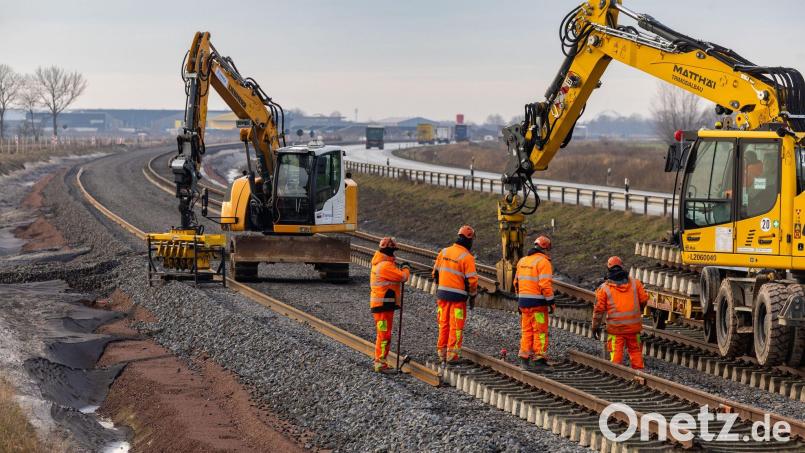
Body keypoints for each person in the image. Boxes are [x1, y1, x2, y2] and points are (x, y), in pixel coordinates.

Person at [591, 256, 649, 369]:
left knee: (616, 355)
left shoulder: (604, 288)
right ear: (622, 266)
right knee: (636, 352)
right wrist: (638, 310)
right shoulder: (635, 283)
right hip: (633, 328)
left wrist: (595, 327)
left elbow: (598, 311)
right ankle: (638, 375)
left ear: (608, 268)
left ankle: (616, 374)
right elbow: (644, 300)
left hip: (616, 329)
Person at [432, 225, 478, 363]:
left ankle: (442, 351)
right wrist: (473, 294)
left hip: (442, 295)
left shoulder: (444, 252)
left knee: (443, 324)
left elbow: (435, 273)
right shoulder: (467, 257)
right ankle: (452, 354)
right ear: (469, 240)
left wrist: (440, 288)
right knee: (456, 325)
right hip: (458, 298)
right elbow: (472, 281)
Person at [369, 237, 411, 373]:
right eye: (393, 251)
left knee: (383, 334)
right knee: (384, 335)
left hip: (383, 306)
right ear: (388, 250)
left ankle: (380, 361)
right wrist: (406, 268)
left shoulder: (380, 263)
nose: (394, 254)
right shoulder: (385, 266)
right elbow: (403, 277)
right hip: (382, 306)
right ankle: (380, 363)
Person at [513, 236, 555, 369]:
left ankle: (524, 357)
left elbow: (516, 283)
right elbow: (545, 286)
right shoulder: (543, 262)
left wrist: (519, 299)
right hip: (538, 304)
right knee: (540, 331)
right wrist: (551, 302)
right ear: (545, 248)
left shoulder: (522, 261)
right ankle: (539, 359)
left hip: (524, 303)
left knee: (527, 330)